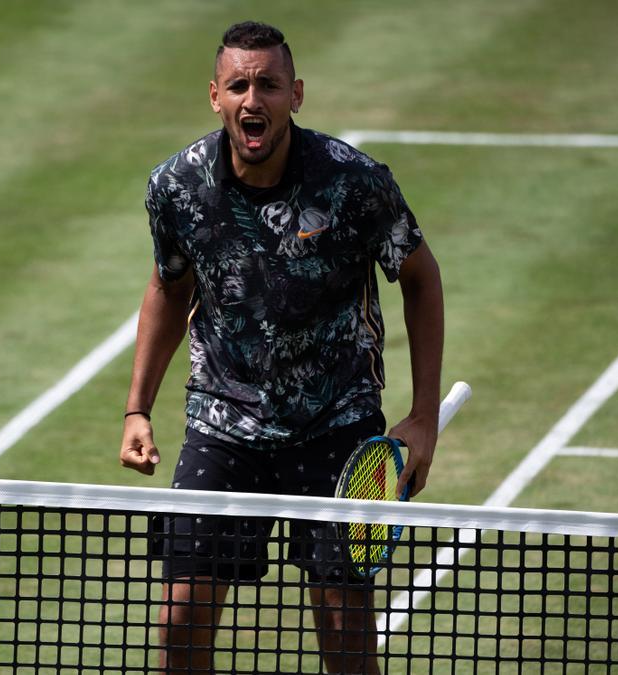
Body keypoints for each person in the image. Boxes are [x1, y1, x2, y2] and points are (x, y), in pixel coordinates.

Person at [119, 20, 444, 674]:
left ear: (295, 94)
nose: (252, 99)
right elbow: (168, 284)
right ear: (215, 95)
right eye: (238, 84)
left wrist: (424, 413)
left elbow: (419, 276)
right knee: (178, 618)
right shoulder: (177, 186)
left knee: (346, 630)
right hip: (223, 423)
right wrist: (137, 409)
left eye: (268, 84)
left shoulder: (353, 183)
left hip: (335, 425)